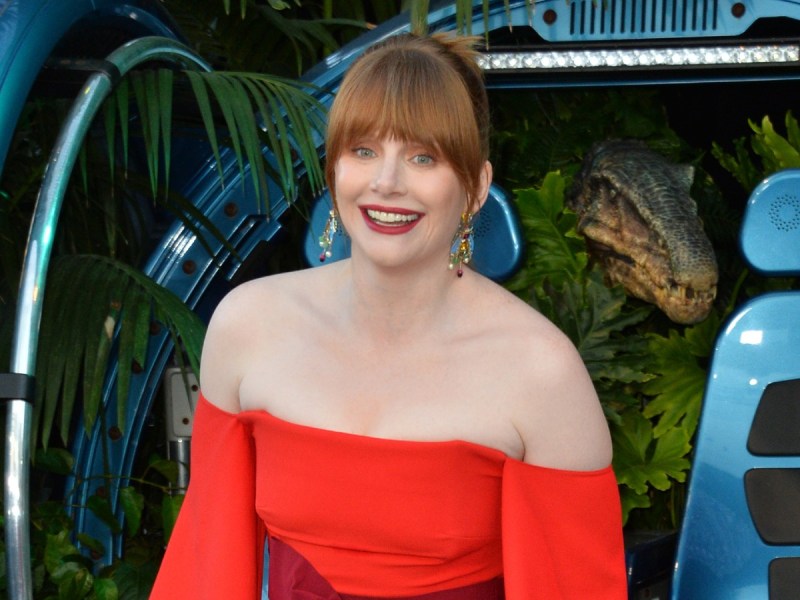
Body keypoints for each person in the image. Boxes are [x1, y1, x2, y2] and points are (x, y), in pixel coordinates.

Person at [151, 33, 627, 599]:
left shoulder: (540, 370)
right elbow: (206, 571)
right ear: (333, 171)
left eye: (423, 157)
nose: (387, 182)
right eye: (364, 151)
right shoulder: (248, 326)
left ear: (475, 188)